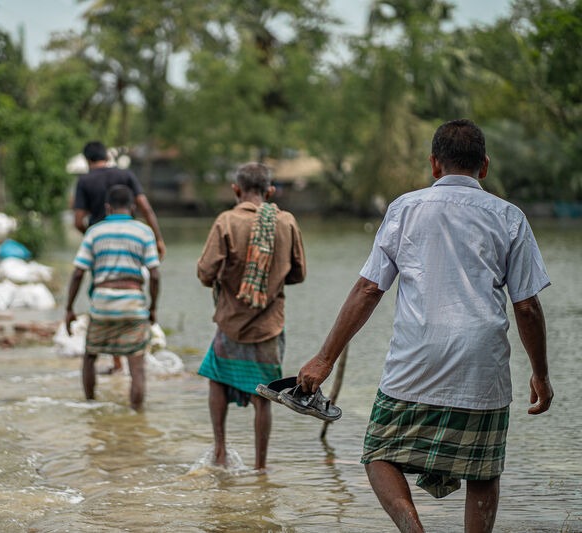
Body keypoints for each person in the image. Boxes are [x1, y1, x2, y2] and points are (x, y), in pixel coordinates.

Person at [296, 119, 553, 532]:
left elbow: (367, 289)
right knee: (481, 471)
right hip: (481, 362)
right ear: (484, 166)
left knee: (379, 453)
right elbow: (527, 307)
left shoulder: (406, 208)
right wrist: (540, 374)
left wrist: (325, 359)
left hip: (417, 358)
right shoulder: (508, 217)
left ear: (434, 165)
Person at [196, 162, 306, 471]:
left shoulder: (226, 221)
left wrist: (228, 280)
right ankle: (260, 467)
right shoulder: (286, 222)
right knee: (264, 394)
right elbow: (298, 273)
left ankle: (219, 451)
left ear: (236, 189)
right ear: (270, 192)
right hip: (269, 324)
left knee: (216, 380)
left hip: (230, 320)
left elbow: (206, 272)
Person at [65, 185, 161, 410]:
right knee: (136, 365)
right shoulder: (144, 232)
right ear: (133, 206)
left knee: (90, 356)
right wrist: (153, 307)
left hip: (102, 304)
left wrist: (69, 307)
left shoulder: (94, 232)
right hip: (133, 304)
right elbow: (154, 275)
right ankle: (137, 417)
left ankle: (90, 407)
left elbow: (79, 272)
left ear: (107, 207)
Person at [73, 141, 166, 261]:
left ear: (87, 160)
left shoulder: (84, 181)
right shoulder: (126, 175)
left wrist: (94, 237)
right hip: (130, 238)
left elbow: (78, 222)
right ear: (107, 157)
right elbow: (146, 209)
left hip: (102, 248)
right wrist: (158, 240)